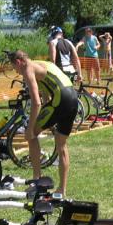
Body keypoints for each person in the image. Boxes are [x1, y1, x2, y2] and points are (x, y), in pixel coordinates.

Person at [9, 50, 79, 194]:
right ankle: (62, 189)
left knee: (31, 135)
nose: (16, 72)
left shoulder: (28, 70)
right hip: (73, 97)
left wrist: (30, 128)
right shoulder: (41, 64)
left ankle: (37, 182)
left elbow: (36, 103)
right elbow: (47, 94)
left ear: (19, 62)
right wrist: (49, 117)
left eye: (14, 68)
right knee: (61, 145)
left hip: (61, 99)